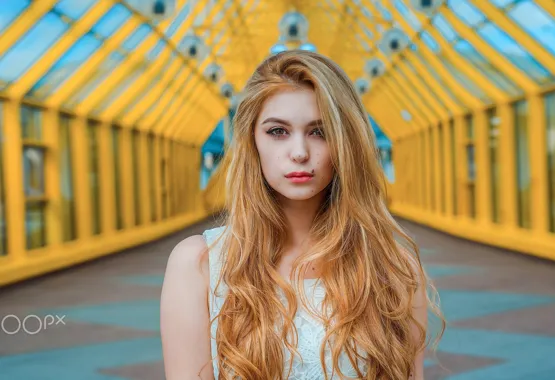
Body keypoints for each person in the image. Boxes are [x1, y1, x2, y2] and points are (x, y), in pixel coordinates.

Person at [160, 50, 444, 379]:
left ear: (345, 142)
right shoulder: (200, 264)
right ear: (252, 140)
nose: (299, 153)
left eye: (319, 132)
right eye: (277, 131)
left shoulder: (393, 266)